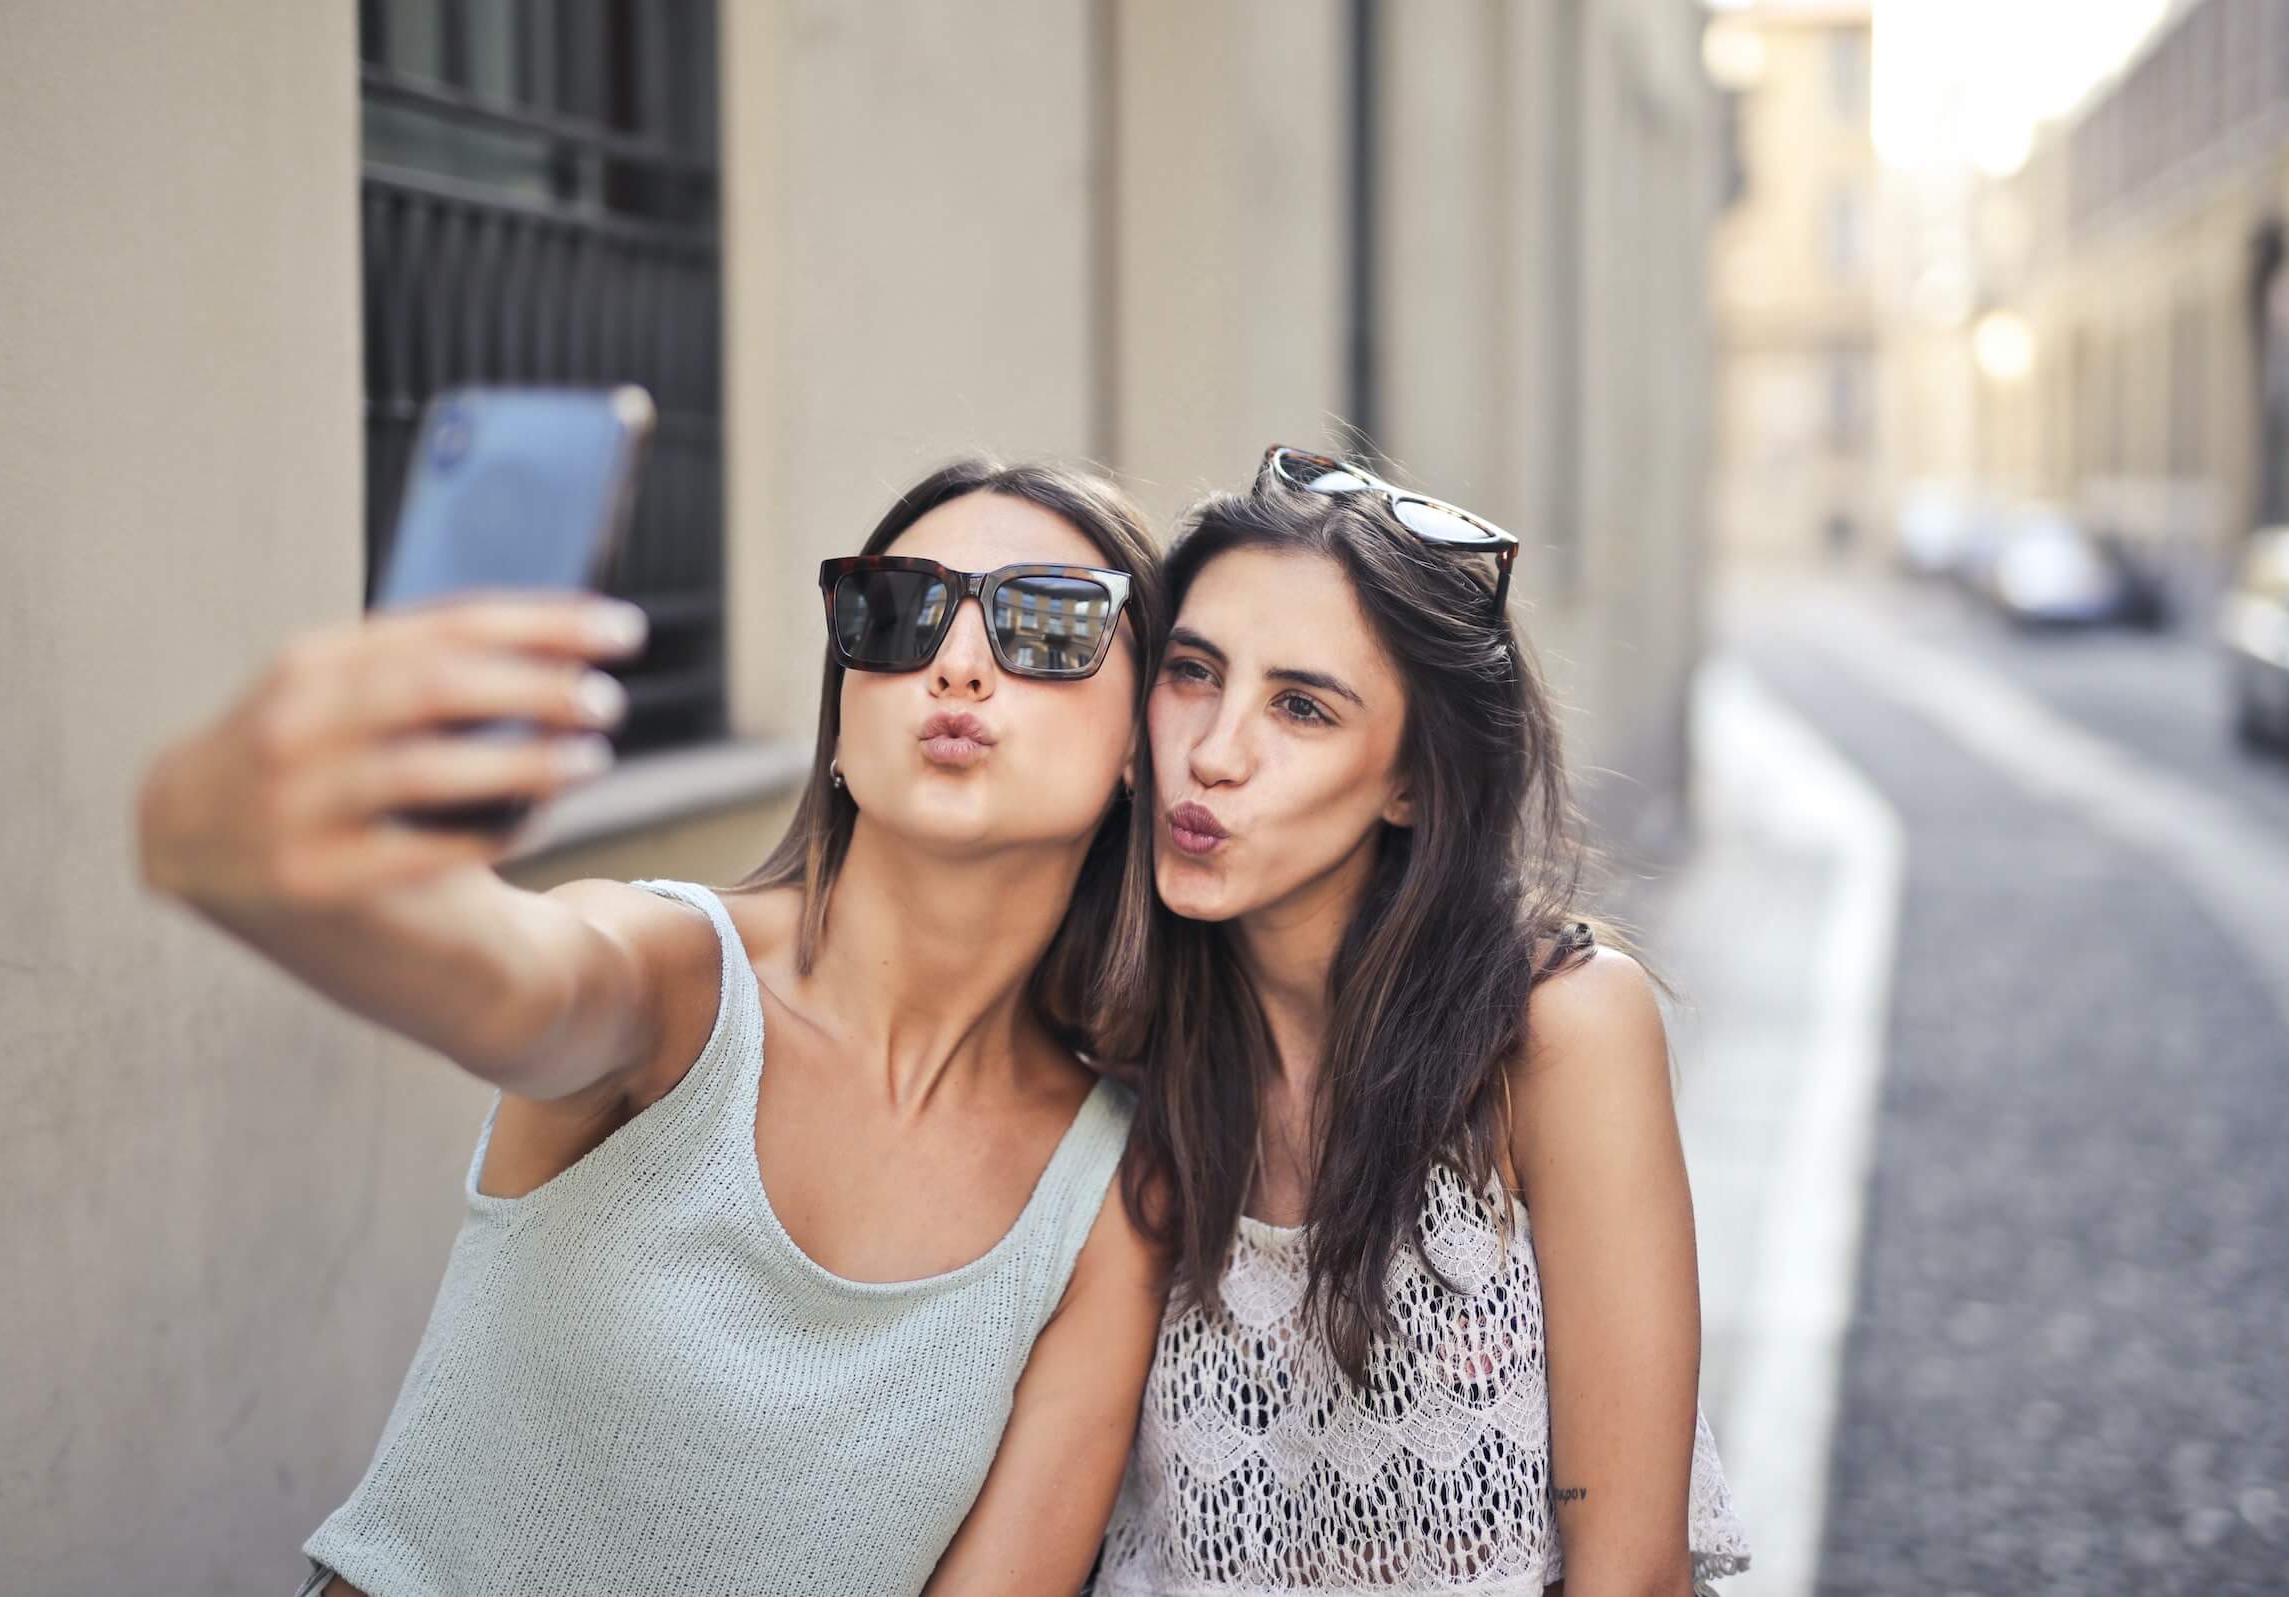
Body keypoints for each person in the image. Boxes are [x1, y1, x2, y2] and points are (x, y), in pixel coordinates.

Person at [135, 459, 1171, 1597]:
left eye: (1047, 621)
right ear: (839, 723)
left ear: (1138, 750)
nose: (958, 664)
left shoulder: (1108, 1191)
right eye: (898, 610)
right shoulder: (672, 977)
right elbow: (514, 978)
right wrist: (246, 841)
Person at [1092, 449, 1750, 1595]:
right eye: (1193, 672)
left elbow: (1629, 1569)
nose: (1213, 751)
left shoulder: (1552, 1036)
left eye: (1300, 706)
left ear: (1410, 780)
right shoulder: (1114, 1046)